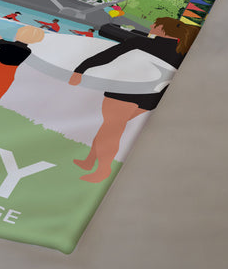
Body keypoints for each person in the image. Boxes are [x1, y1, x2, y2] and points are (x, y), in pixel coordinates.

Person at [68, 17, 197, 182]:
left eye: (155, 24)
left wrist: (80, 69)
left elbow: (107, 56)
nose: (151, 25)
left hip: (126, 92)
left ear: (162, 29)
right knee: (111, 127)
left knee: (111, 129)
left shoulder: (141, 43)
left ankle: (103, 169)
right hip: (150, 98)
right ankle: (90, 161)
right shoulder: (182, 52)